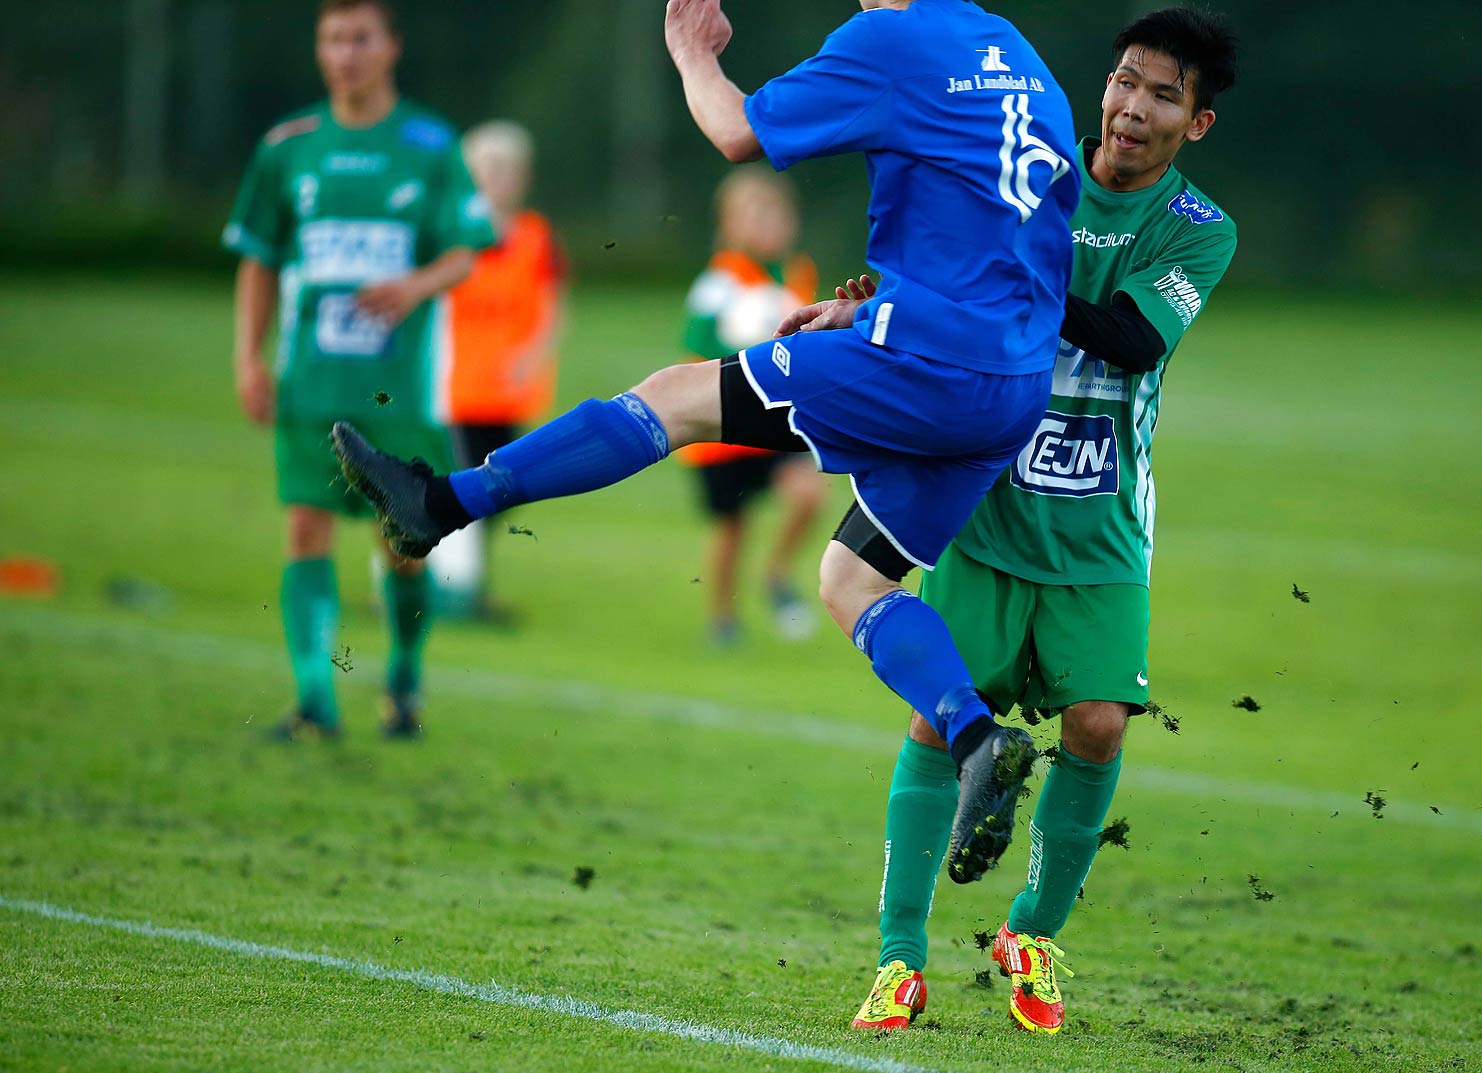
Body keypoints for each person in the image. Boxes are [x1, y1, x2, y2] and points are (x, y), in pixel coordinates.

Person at [332, 0, 1078, 862]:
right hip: (1013, 385)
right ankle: (978, 737)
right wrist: (873, 306)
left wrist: (690, 54)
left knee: (676, 396)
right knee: (853, 580)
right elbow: (1020, 234)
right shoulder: (1018, 53)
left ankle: (439, 504)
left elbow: (733, 132)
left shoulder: (893, 36)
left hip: (930, 364)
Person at [849, 7, 1239, 1034]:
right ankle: (898, 960)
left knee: (1101, 724)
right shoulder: (1025, 174)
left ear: (1195, 124)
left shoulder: (1199, 230)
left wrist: (1011, 256)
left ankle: (1033, 933)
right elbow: (933, 276)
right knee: (939, 717)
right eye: (1124, 81)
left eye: (1164, 94)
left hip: (1101, 526)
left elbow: (1127, 339)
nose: (1133, 107)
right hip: (985, 501)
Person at [225, 0, 494, 740]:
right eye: (333, 38)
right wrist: (248, 357)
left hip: (401, 389)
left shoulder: (430, 144)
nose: (346, 53)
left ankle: (403, 682)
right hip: (309, 383)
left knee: (404, 545)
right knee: (304, 530)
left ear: (390, 48)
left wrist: (412, 286)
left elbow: (466, 250)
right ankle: (316, 698)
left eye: (360, 38)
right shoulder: (288, 146)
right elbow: (258, 257)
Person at [679, 166, 829, 646]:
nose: (767, 224)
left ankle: (777, 574)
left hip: (778, 419)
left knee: (809, 496)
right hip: (724, 427)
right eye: (754, 215)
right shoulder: (719, 282)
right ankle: (722, 619)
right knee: (731, 528)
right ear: (729, 224)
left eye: (775, 214)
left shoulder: (798, 273)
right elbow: (698, 346)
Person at [431, 119, 567, 622]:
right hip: (453, 386)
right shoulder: (450, 232)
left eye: (506, 170)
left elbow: (550, 306)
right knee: (454, 485)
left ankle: (465, 586)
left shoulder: (534, 235)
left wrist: (534, 356)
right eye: (486, 169)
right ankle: (448, 592)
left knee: (496, 493)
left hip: (504, 390)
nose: (496, 179)